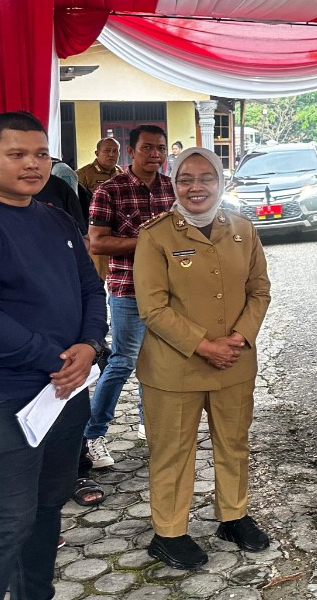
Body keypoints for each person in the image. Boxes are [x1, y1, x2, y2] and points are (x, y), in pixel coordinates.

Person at [133, 147, 272, 569]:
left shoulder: (243, 229)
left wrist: (238, 338)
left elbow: (259, 290)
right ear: (174, 184)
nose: (196, 187)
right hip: (174, 368)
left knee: (234, 443)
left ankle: (233, 515)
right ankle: (169, 532)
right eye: (185, 179)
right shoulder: (156, 235)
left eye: (206, 177)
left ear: (221, 181)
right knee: (172, 450)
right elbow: (152, 308)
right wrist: (205, 346)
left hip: (234, 362)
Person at [0, 111, 107, 600]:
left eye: (40, 153)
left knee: (47, 508)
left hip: (64, 397)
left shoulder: (57, 217)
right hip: (9, 399)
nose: (32, 164)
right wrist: (52, 358)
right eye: (15, 154)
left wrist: (90, 345)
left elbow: (90, 288)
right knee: (7, 524)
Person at [85, 125, 175, 465]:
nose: (155, 154)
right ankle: (92, 436)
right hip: (128, 290)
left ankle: (147, 424)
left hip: (168, 292)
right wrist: (148, 243)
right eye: (148, 148)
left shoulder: (171, 189)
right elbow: (97, 241)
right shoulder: (109, 191)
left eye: (161, 149)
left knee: (158, 362)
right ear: (131, 151)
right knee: (122, 362)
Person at [76, 137, 122, 280]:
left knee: (118, 278)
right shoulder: (83, 175)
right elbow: (77, 206)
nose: (111, 155)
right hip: (96, 235)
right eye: (107, 151)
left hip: (118, 235)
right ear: (97, 153)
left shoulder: (121, 174)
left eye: (115, 151)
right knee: (97, 278)